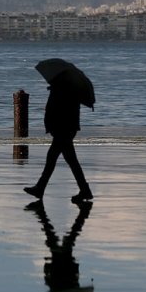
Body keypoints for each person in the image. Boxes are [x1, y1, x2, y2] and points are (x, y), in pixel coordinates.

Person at [24, 75, 93, 203]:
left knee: (53, 159)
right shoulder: (65, 90)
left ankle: (40, 188)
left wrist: (53, 126)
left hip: (63, 131)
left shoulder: (62, 91)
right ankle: (84, 190)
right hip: (65, 130)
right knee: (69, 161)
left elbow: (57, 111)